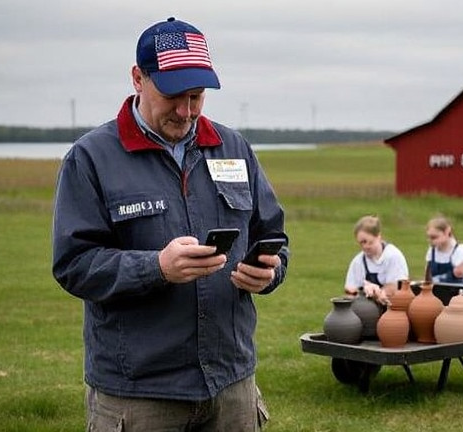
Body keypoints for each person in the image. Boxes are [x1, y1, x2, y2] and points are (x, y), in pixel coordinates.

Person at [52, 17, 288, 431]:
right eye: (173, 96)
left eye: (196, 97)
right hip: (139, 394)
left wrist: (269, 270)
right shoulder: (90, 158)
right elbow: (75, 265)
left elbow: (272, 235)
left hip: (231, 385)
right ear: (137, 79)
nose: (186, 111)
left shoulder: (233, 148)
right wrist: (157, 268)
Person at [344, 215, 409, 305]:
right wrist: (361, 291)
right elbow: (350, 292)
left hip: (392, 307)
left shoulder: (393, 256)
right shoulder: (358, 262)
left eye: (369, 242)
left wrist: (377, 292)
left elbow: (396, 288)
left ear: (378, 236)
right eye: (362, 243)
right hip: (365, 308)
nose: (365, 246)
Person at [424, 215, 463, 285]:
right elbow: (428, 273)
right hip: (439, 289)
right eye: (429, 237)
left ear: (447, 232)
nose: (431, 241)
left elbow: (461, 272)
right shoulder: (432, 251)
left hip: (461, 290)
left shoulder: (459, 250)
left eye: (434, 237)